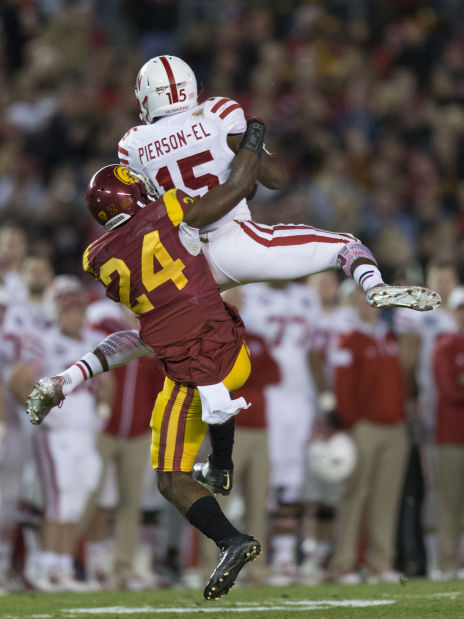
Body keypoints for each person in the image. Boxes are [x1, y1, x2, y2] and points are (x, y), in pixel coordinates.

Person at [26, 119, 265, 601]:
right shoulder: (171, 206)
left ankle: (230, 530)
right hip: (228, 348)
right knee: (203, 370)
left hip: (189, 363)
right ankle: (221, 467)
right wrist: (252, 136)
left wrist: (68, 379)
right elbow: (240, 185)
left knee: (170, 476)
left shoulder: (98, 258)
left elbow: (144, 333)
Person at [118, 55, 440, 314]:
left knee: (150, 335)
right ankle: (373, 285)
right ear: (190, 86)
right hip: (236, 243)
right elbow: (275, 179)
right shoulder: (216, 113)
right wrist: (251, 138)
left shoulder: (131, 145)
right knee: (346, 246)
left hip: (181, 259)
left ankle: (73, 375)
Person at [10, 276, 113, 592]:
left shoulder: (92, 341)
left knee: (77, 500)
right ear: (58, 312)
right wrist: (39, 413)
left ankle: (63, 568)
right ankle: (47, 568)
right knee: (59, 500)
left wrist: (103, 410)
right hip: (57, 432)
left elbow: (108, 383)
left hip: (84, 430)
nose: (74, 316)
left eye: (78, 310)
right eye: (68, 310)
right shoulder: (43, 339)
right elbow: (17, 381)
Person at [329, 285, 409, 583]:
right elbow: (342, 388)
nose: (367, 304)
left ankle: (380, 562)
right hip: (363, 427)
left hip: (394, 426)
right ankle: (344, 563)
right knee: (355, 496)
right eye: (360, 299)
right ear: (352, 304)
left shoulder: (389, 337)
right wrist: (351, 425)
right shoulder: (349, 339)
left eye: (371, 299)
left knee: (386, 498)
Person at [432, 286, 464, 580]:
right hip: (452, 435)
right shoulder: (445, 345)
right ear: (454, 313)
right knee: (450, 501)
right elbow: (450, 390)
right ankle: (446, 562)